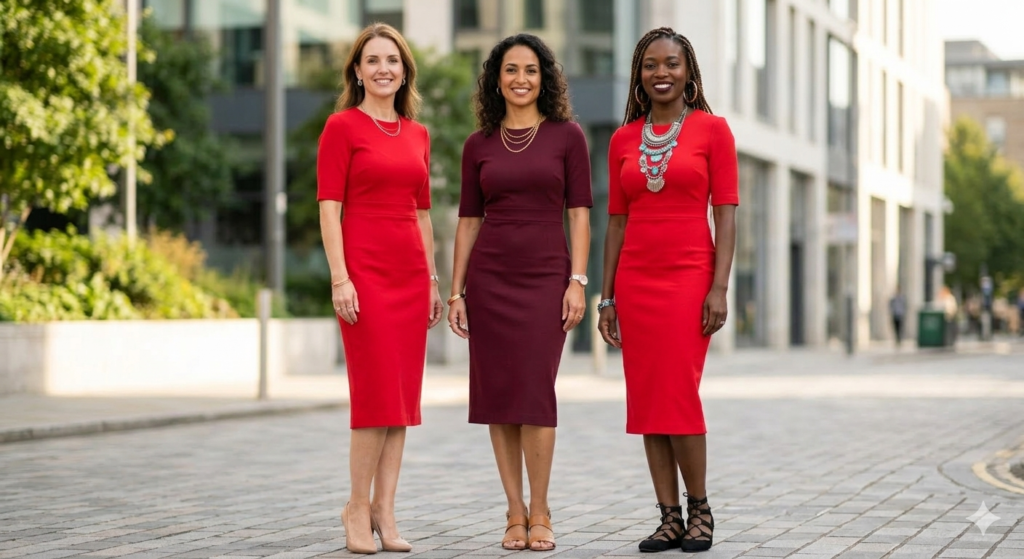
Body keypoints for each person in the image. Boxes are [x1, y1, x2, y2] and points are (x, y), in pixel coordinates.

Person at [447, 33, 592, 552]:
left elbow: (579, 215)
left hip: (545, 279)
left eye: (531, 70)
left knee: (535, 395)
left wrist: (577, 281)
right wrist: (457, 291)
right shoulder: (477, 144)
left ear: (545, 77)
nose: (521, 79)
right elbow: (467, 221)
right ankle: (513, 512)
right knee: (499, 399)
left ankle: (542, 509)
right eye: (510, 70)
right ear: (496, 79)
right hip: (489, 281)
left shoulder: (568, 137)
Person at [597, 28, 738, 554]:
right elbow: (615, 224)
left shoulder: (713, 131)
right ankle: (668, 517)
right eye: (651, 64)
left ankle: (700, 509)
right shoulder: (621, 140)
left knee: (678, 394)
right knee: (649, 400)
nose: (661, 73)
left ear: (688, 71)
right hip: (636, 281)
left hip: (689, 277)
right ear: (639, 74)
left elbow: (725, 216)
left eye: (672, 64)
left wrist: (719, 287)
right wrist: (606, 297)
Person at [316, 22, 443, 554]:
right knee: (373, 401)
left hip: (410, 278)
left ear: (404, 69)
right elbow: (329, 208)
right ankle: (356, 507)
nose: (383, 68)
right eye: (372, 60)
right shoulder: (341, 127)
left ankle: (387, 514)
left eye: (392, 59)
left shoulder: (417, 133)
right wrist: (340, 277)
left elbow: (422, 214)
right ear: (358, 70)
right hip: (363, 276)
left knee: (401, 403)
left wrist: (433, 279)